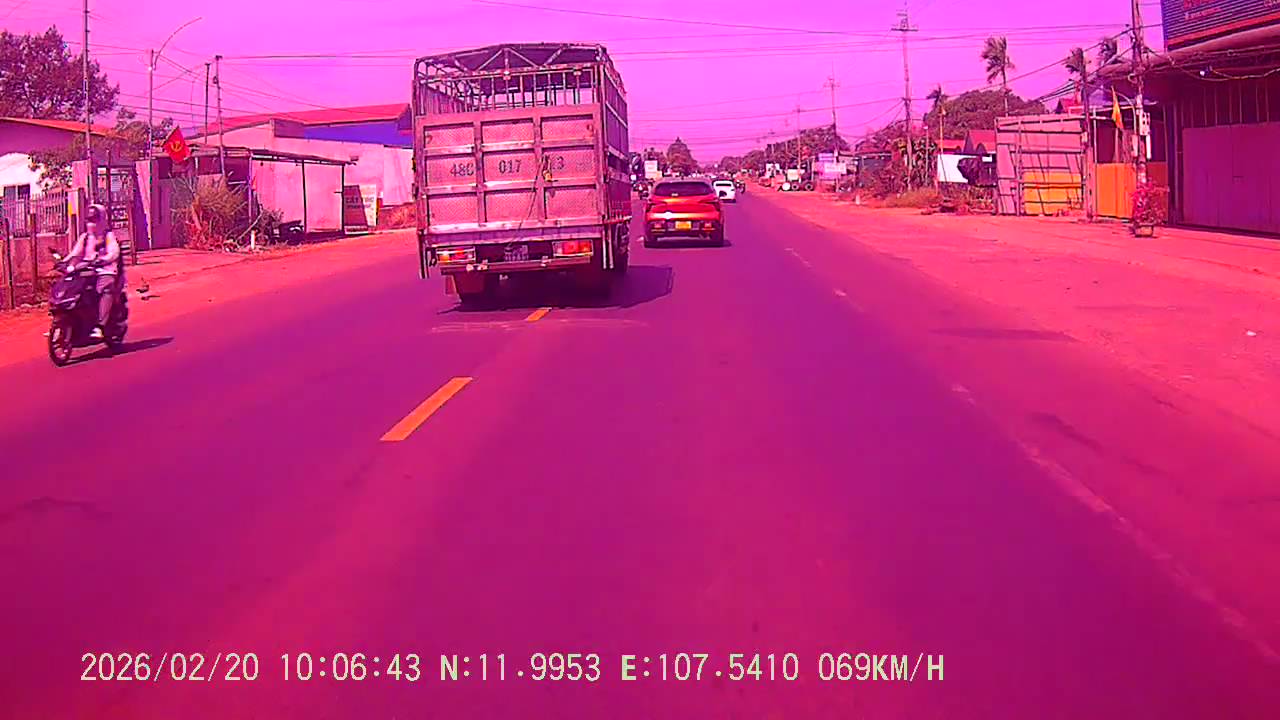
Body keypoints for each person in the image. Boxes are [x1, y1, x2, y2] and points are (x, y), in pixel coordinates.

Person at [63, 204, 121, 339]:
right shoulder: (85, 237)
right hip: (86, 270)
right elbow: (75, 253)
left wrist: (103, 259)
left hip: (104, 270)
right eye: (89, 219)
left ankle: (100, 325)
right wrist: (64, 262)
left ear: (101, 219)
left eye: (94, 219)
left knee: (105, 289)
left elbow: (114, 252)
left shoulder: (108, 236)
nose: (91, 223)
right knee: (72, 289)